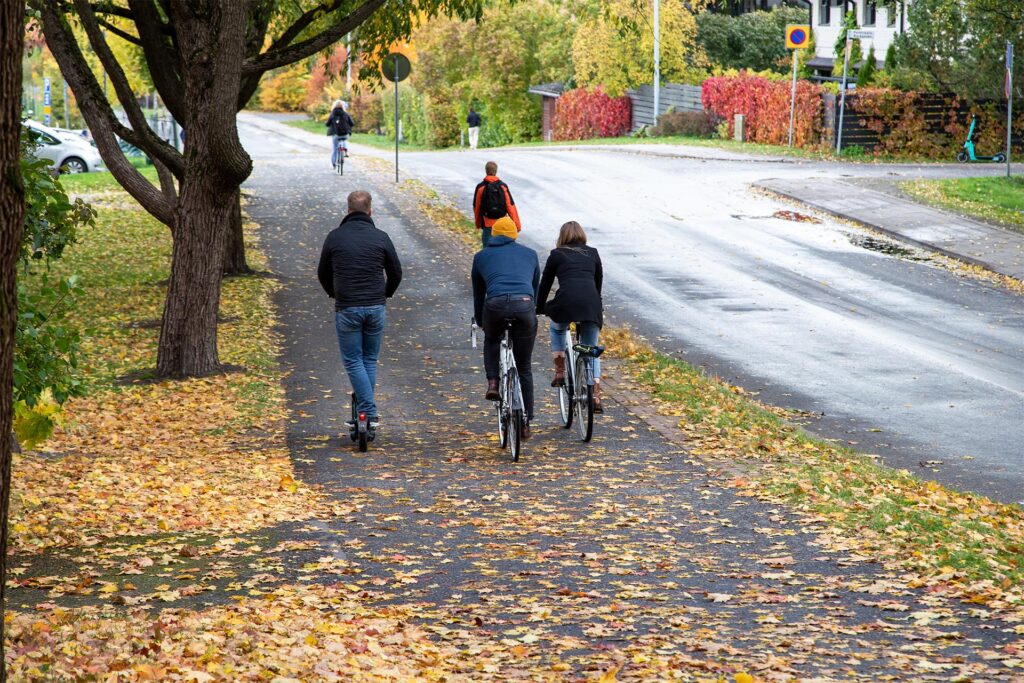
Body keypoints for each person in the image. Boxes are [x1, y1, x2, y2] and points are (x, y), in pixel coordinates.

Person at [318, 191, 403, 431]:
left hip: (347, 307)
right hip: (375, 306)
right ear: (370, 211)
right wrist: (386, 293)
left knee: (354, 360)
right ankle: (367, 414)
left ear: (347, 210)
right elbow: (395, 272)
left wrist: (333, 292)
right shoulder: (381, 237)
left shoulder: (335, 237)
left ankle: (367, 411)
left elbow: (322, 273)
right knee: (368, 360)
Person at [472, 216, 540, 439]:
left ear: (493, 235)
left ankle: (493, 382)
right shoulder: (530, 254)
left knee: (492, 339)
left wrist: (481, 322)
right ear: (514, 234)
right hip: (524, 305)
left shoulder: (481, 257)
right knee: (524, 367)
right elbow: (534, 289)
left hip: (495, 305)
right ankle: (526, 422)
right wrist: (531, 311)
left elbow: (479, 294)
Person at [536, 221, 605, 412]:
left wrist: (539, 307)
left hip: (565, 303)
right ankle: (595, 395)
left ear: (562, 237)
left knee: (557, 327)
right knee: (591, 350)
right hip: (591, 305)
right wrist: (597, 305)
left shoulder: (557, 254)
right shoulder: (593, 252)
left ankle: (560, 372)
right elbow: (597, 283)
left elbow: (545, 284)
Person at [472, 161, 521, 249]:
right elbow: (510, 206)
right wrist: (517, 225)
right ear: (496, 171)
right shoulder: (503, 186)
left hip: (488, 225)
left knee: (487, 252)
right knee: (504, 250)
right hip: (503, 226)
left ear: (486, 171)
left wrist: (478, 224)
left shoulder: (480, 187)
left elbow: (477, 208)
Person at [326, 99, 354, 168]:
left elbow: (327, 124)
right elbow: (352, 123)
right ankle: (346, 150)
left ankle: (333, 164)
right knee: (344, 139)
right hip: (345, 134)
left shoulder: (332, 113)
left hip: (336, 134)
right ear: (342, 106)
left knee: (335, 149)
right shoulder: (345, 114)